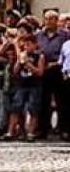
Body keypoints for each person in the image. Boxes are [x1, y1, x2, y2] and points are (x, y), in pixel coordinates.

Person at [5, 32, 45, 142]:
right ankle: (10, 131)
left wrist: (27, 64)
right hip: (22, 85)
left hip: (35, 85)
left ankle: (31, 132)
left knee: (33, 108)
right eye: (25, 45)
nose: (27, 47)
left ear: (35, 44)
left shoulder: (39, 56)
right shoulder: (23, 54)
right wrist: (19, 61)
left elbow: (40, 72)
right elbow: (15, 71)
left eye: (29, 44)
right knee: (16, 107)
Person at [36, 10, 69, 139]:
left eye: (52, 19)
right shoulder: (39, 35)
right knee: (43, 100)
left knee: (62, 101)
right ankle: (43, 128)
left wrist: (56, 63)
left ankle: (64, 128)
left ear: (56, 21)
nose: (49, 21)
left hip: (58, 70)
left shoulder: (65, 35)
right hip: (42, 69)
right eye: (46, 19)